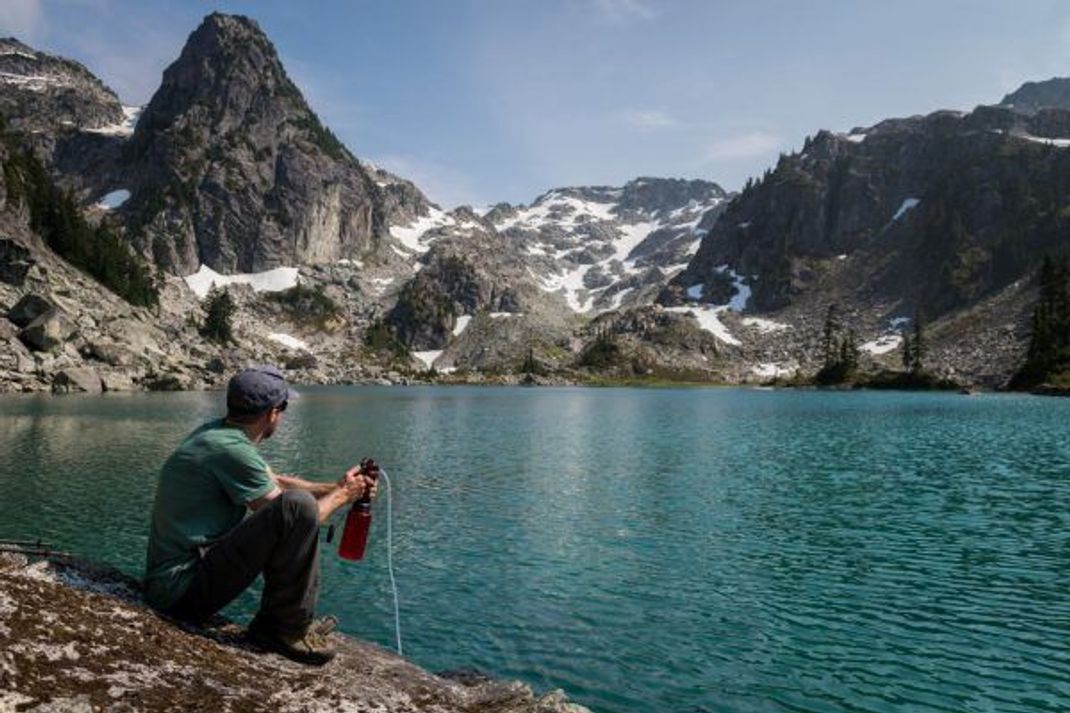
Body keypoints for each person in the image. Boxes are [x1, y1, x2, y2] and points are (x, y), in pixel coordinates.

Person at [144, 364, 375, 665]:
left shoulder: (218, 434)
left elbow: (274, 482)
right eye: (283, 408)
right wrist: (344, 496)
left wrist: (337, 486)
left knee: (295, 503)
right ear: (273, 413)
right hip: (179, 592)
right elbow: (296, 517)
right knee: (298, 507)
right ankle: (284, 630)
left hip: (173, 581)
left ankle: (275, 624)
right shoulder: (231, 450)